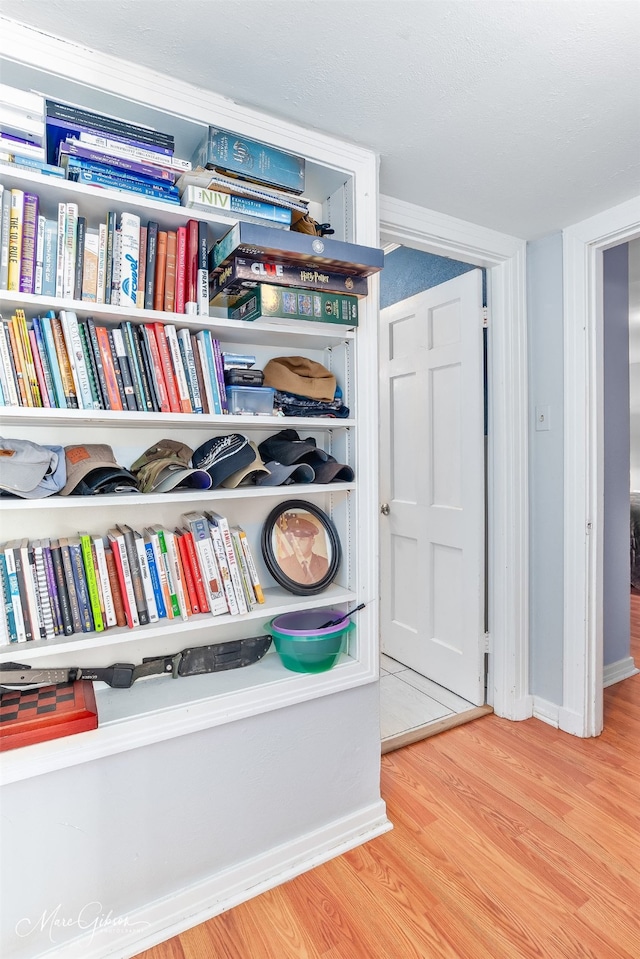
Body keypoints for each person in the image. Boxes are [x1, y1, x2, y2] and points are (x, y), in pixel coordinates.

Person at [276, 513, 329, 585]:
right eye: (295, 539)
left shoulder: (325, 564)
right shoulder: (283, 564)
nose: (297, 544)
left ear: (312, 542)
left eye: (302, 539)